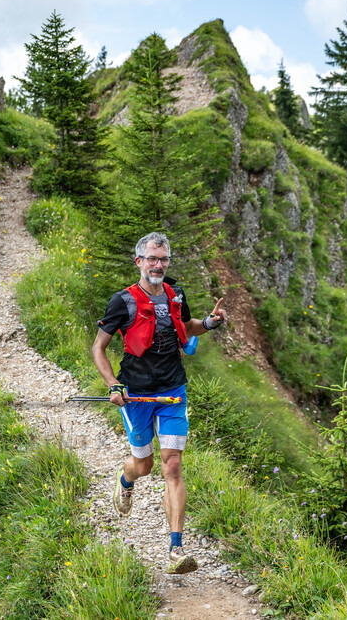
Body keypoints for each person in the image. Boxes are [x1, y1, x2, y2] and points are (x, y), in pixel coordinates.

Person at [91, 231, 227, 574]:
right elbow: (99, 348)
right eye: (152, 258)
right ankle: (126, 479)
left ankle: (176, 549)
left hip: (173, 392)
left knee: (173, 466)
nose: (158, 265)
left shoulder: (175, 294)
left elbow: (186, 326)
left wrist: (208, 324)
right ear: (139, 261)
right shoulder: (123, 301)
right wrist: (112, 385)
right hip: (136, 395)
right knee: (144, 466)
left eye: (164, 259)